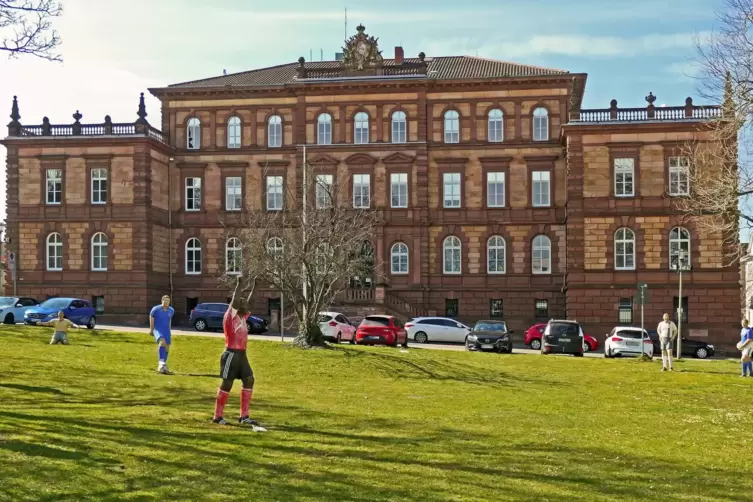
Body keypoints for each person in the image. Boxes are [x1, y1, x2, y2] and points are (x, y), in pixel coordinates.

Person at [212, 279, 264, 430]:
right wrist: (240, 284)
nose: (245, 305)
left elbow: (251, 302)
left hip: (242, 355)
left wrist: (256, 285)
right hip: (231, 354)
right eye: (242, 303)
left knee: (249, 380)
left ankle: (244, 416)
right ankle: (217, 416)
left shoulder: (243, 317)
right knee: (227, 383)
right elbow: (235, 300)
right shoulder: (230, 316)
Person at [149, 295, 175, 375]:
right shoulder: (156, 309)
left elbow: (169, 319)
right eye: (165, 300)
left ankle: (162, 366)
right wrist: (151, 329)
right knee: (162, 342)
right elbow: (151, 317)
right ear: (162, 300)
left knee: (167, 348)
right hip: (158, 329)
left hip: (166, 330)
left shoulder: (171, 310)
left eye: (168, 301)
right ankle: (161, 362)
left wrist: (169, 330)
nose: (166, 302)